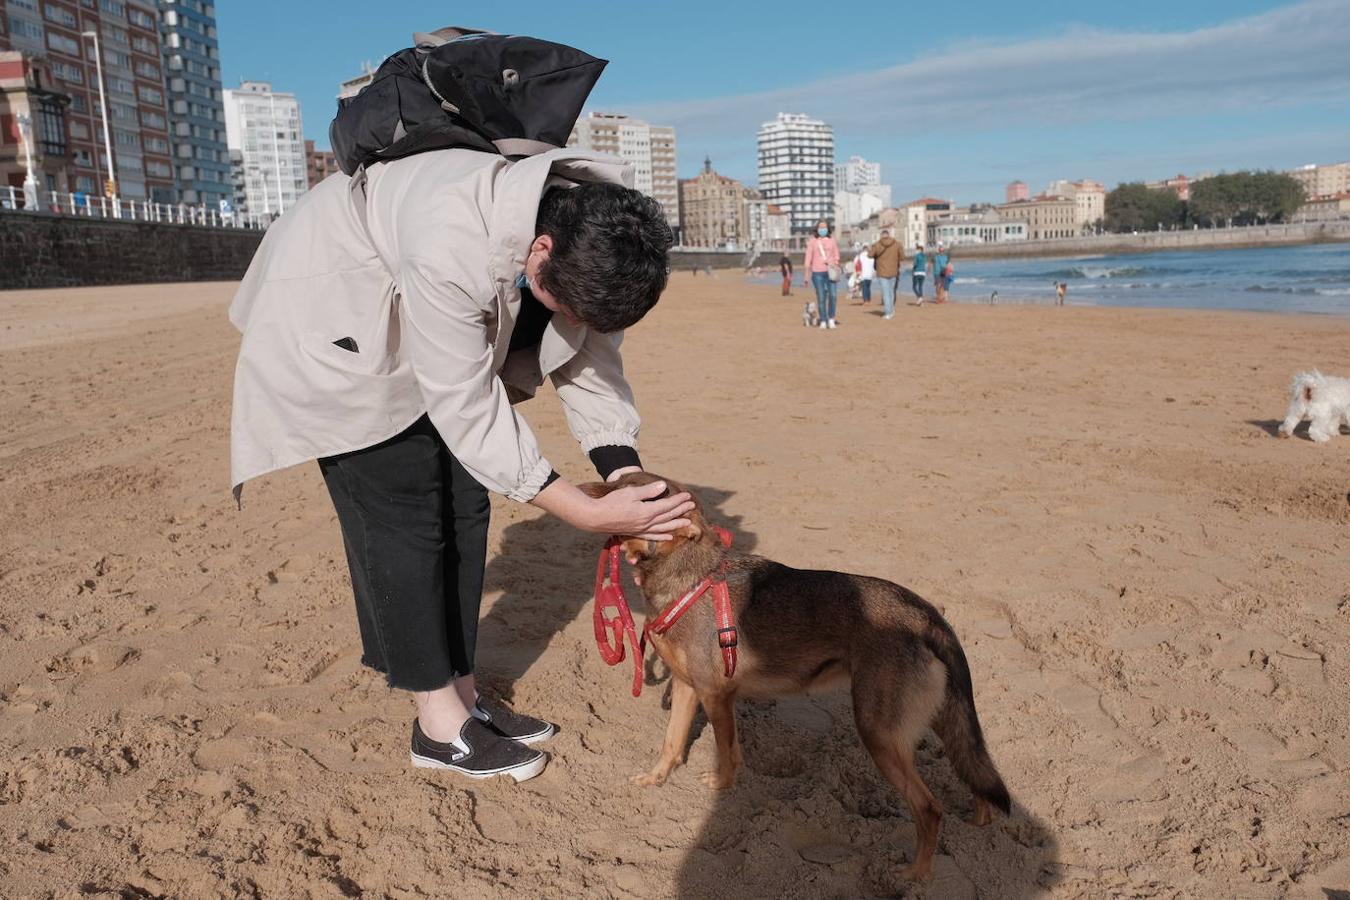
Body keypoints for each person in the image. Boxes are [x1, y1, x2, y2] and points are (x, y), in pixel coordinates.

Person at [228, 147, 690, 783]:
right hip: (334, 310)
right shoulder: (450, 237)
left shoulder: (607, 236)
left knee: (466, 503)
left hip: (416, 296)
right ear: (540, 250)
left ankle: (465, 698)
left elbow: (590, 357)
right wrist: (581, 510)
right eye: (565, 304)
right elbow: (467, 405)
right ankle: (438, 724)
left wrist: (622, 474)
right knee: (406, 513)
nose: (572, 322)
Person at [803, 220, 840, 329]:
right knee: (821, 297)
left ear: (828, 229)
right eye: (820, 227)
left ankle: (831, 318)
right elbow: (808, 258)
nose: (822, 229)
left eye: (824, 227)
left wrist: (836, 264)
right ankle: (823, 320)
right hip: (817, 273)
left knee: (833, 296)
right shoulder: (813, 241)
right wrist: (806, 276)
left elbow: (836, 255)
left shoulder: (832, 241)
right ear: (817, 229)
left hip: (831, 272)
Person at [867, 228, 902, 319]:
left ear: (881, 235)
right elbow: (902, 256)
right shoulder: (897, 244)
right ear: (888, 235)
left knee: (885, 293)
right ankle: (891, 310)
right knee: (891, 292)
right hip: (893, 271)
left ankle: (888, 312)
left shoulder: (877, 245)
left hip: (882, 271)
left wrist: (871, 249)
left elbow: (870, 255)